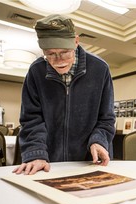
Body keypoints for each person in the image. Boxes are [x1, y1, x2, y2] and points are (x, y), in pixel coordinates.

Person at [13, 14, 115, 175]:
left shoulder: (100, 69)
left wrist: (99, 141)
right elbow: (31, 120)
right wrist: (36, 152)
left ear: (76, 41)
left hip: (89, 161)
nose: (59, 60)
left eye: (65, 52)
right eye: (50, 53)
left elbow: (106, 118)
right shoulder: (35, 71)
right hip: (47, 162)